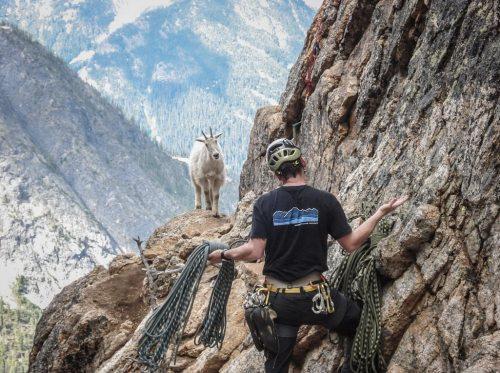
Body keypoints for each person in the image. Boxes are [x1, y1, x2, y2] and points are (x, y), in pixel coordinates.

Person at [208, 138, 407, 372]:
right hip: (317, 300)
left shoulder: (264, 204)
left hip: (279, 303)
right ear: (303, 162)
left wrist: (222, 254)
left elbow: (254, 251)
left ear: (276, 175)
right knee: (358, 322)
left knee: (277, 365)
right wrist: (379, 214)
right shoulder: (325, 201)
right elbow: (351, 244)